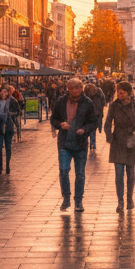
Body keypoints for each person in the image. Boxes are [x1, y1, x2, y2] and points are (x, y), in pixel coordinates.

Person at [50, 78, 98, 212]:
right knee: (63, 171)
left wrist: (84, 129)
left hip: (80, 142)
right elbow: (53, 119)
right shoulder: (61, 102)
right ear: (68, 89)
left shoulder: (87, 103)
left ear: (81, 89)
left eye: (77, 88)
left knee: (80, 173)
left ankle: (78, 201)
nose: (74, 91)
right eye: (71, 88)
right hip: (64, 142)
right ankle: (66, 198)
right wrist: (60, 124)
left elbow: (94, 122)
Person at [105, 80, 135, 213]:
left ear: (128, 93)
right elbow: (107, 122)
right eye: (118, 92)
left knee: (130, 172)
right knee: (118, 173)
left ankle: (129, 199)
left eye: (122, 93)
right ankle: (120, 202)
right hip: (118, 141)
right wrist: (109, 136)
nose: (119, 95)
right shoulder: (114, 106)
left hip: (131, 141)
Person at [0, 86, 21, 174]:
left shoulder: (12, 101)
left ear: (8, 93)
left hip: (8, 127)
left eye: (5, 91)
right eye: (2, 91)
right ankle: (0, 166)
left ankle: (7, 165)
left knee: (8, 147)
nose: (3, 93)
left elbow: (17, 112)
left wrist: (8, 116)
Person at [84, 82, 106, 156]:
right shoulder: (99, 91)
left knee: (87, 129)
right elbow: (103, 101)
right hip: (97, 113)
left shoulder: (85, 93)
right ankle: (92, 145)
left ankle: (87, 143)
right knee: (93, 130)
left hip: (87, 114)